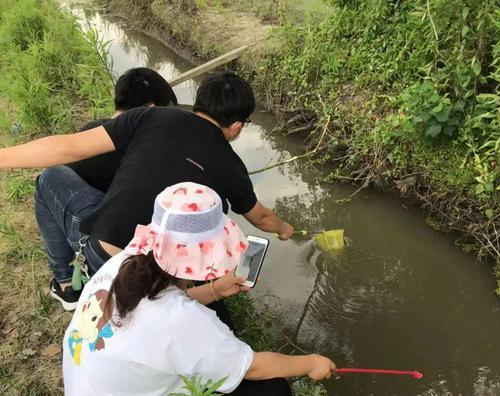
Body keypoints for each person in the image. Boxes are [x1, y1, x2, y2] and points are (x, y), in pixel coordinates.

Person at [0, 71, 294, 311]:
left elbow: (69, 148)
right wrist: (284, 229)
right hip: (164, 277)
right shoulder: (233, 166)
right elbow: (262, 218)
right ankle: (88, 286)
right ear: (238, 126)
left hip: (107, 257)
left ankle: (67, 284)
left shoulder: (149, 116)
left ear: (199, 103)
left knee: (51, 177)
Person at [62, 182, 335, 396]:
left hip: (87, 386)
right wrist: (310, 363)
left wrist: (214, 290)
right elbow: (251, 367)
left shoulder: (123, 264)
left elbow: (152, 314)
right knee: (271, 390)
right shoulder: (185, 322)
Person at [32, 67, 178, 310]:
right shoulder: (157, 149)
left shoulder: (89, 133)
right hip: (141, 256)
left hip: (99, 243)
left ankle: (67, 283)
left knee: (48, 179)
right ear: (152, 109)